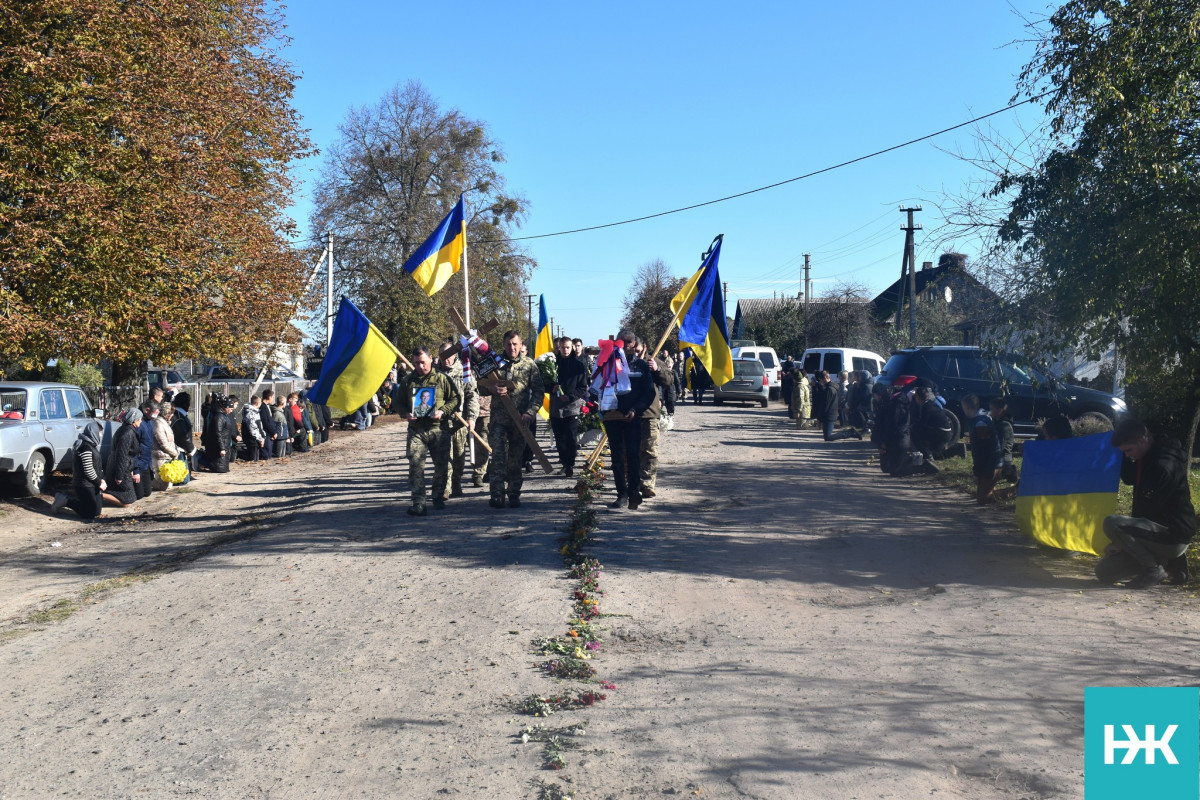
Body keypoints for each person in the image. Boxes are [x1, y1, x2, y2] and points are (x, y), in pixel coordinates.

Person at [1095, 419, 1197, 589]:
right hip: (1155, 533)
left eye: (1128, 450)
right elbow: (1129, 478)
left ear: (1142, 440)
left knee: (1111, 523)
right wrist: (1123, 455)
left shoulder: (1162, 465)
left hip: (1172, 537)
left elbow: (1147, 511)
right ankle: (1171, 564)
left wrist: (1120, 542)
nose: (1127, 455)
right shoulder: (1148, 454)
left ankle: (1154, 569)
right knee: (1104, 572)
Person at [480, 331, 544, 509]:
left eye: (515, 344)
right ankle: (497, 495)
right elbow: (479, 385)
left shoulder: (529, 364)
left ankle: (514, 492)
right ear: (504, 344)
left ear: (521, 344)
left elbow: (538, 392)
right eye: (508, 344)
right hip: (499, 419)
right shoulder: (494, 362)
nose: (512, 348)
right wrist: (491, 389)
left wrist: (530, 412)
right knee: (498, 456)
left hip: (520, 420)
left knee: (516, 459)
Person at [399, 346, 459, 515]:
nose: (420, 367)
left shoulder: (442, 379)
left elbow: (455, 399)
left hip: (439, 430)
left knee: (441, 466)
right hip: (417, 431)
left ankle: (438, 496)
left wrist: (443, 411)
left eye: (423, 363)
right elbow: (399, 402)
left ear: (431, 359)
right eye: (417, 363)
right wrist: (406, 413)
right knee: (416, 465)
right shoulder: (408, 381)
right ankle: (419, 502)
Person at [602, 334, 656, 510]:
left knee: (633, 456)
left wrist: (636, 409)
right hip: (613, 417)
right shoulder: (607, 362)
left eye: (628, 342)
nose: (624, 345)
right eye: (621, 341)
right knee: (617, 457)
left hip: (633, 417)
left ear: (635, 345)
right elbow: (597, 386)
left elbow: (649, 393)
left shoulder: (640, 366)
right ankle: (621, 494)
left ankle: (634, 492)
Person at [631, 334, 672, 498]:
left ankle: (647, 484)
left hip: (649, 413)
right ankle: (632, 483)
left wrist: (657, 369)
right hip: (628, 413)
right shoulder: (625, 362)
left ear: (644, 348)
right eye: (632, 350)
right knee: (631, 451)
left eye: (638, 350)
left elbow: (668, 380)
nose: (635, 354)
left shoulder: (652, 361)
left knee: (649, 451)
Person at [437, 340, 476, 499]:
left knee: (459, 457)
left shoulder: (464, 372)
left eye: (449, 355)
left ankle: (456, 482)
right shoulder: (434, 373)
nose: (446, 359)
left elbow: (472, 395)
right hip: (440, 422)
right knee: (444, 458)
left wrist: (471, 417)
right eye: (443, 355)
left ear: (455, 355)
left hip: (459, 422)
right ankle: (445, 488)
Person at [549, 336, 589, 478]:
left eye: (567, 347)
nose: (565, 350)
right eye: (562, 347)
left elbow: (583, 388)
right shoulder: (553, 364)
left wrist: (571, 396)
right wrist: (551, 389)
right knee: (559, 437)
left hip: (572, 406)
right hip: (556, 406)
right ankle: (564, 463)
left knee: (571, 436)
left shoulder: (578, 365)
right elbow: (545, 383)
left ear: (572, 347)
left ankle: (570, 464)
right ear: (558, 348)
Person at [50, 421, 106, 520]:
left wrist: (102, 479)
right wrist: (99, 482)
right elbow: (88, 470)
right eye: (99, 432)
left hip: (92, 483)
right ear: (93, 432)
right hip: (83, 484)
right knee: (89, 514)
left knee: (96, 511)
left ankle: (80, 504)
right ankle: (65, 501)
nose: (100, 435)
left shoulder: (91, 445)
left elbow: (96, 466)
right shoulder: (85, 447)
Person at [962, 393, 1001, 504]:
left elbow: (984, 450)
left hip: (991, 465)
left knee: (983, 499)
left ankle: (1014, 491)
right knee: (983, 494)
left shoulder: (980, 423)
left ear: (967, 407)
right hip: (989, 463)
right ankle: (990, 489)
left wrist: (978, 472)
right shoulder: (981, 420)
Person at [909, 387, 955, 473]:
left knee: (916, 434)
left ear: (918, 398)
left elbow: (922, 424)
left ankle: (928, 459)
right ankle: (955, 451)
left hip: (940, 432)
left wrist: (912, 427)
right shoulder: (932, 404)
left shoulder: (925, 407)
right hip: (947, 432)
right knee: (936, 451)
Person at [105, 408, 143, 507]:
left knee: (131, 496)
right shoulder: (127, 433)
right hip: (120, 467)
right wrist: (119, 476)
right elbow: (121, 455)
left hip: (124, 466)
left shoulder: (125, 429)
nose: (141, 421)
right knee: (129, 498)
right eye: (140, 419)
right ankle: (101, 495)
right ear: (134, 420)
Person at [813, 371, 861, 441]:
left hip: (829, 415)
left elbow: (826, 404)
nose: (821, 382)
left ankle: (850, 433)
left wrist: (820, 416)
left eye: (821, 380)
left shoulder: (829, 389)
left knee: (828, 437)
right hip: (830, 414)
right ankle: (850, 432)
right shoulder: (831, 387)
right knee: (827, 436)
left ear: (825, 378)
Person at [151, 401, 181, 488]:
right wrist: (175, 453)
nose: (172, 415)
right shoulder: (158, 424)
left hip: (167, 457)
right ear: (166, 412)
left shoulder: (165, 423)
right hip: (161, 458)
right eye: (171, 413)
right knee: (163, 485)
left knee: (168, 485)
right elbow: (163, 444)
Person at [202, 395, 237, 472]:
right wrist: (222, 448)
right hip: (220, 449)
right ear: (226, 407)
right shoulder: (219, 417)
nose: (231, 411)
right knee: (220, 469)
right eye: (230, 409)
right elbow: (217, 433)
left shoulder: (223, 416)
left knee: (223, 469)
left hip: (225, 446)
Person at [990, 396, 1018, 482]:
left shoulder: (1004, 425)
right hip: (998, 458)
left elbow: (1002, 445)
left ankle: (1010, 473)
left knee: (991, 482)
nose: (990, 411)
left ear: (999, 410)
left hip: (1003, 459)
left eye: (992, 409)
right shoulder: (996, 422)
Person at [170, 392, 198, 476]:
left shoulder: (180, 414)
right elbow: (182, 435)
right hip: (180, 449)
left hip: (182, 448)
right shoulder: (179, 416)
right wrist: (191, 449)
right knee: (183, 477)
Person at [135, 401, 156, 499]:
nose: (154, 416)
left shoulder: (150, 421)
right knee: (139, 494)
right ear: (147, 410)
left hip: (146, 462)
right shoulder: (139, 423)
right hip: (139, 461)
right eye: (153, 413)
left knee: (147, 492)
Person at [259, 389, 278, 460]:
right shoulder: (263, 407)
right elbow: (265, 422)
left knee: (269, 453)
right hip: (266, 433)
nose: (273, 399)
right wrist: (272, 432)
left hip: (269, 433)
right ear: (269, 397)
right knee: (266, 455)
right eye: (272, 397)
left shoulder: (267, 406)